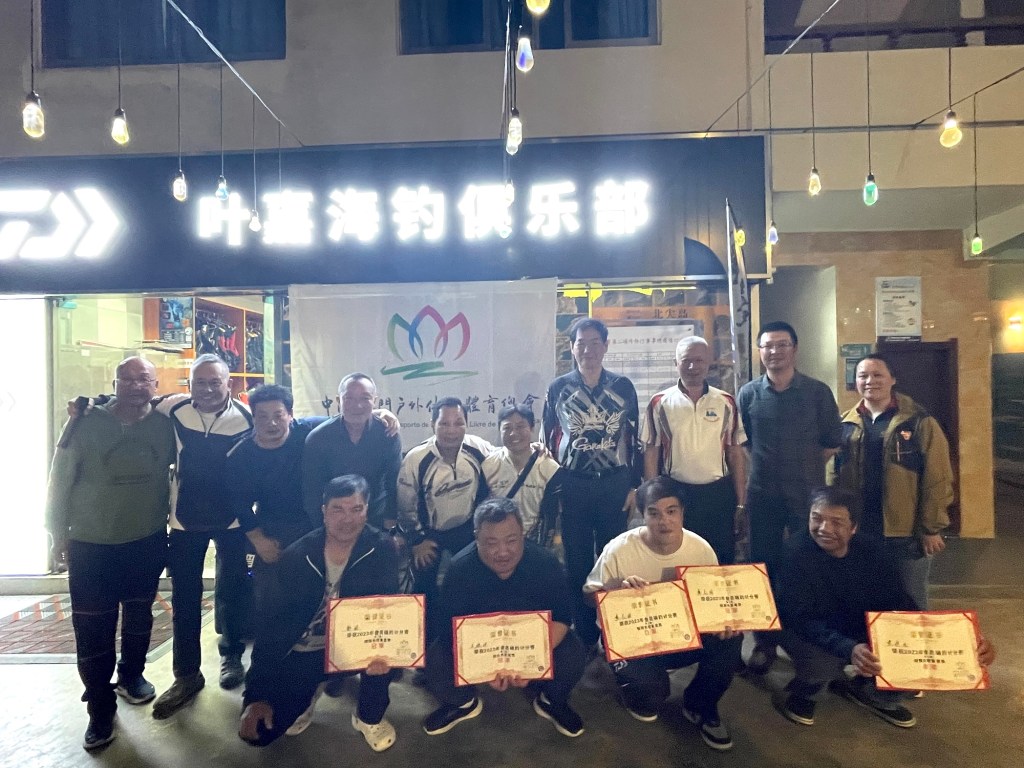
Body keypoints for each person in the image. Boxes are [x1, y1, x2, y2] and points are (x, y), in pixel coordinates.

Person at [773, 486, 996, 729]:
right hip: (809, 629)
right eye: (816, 518)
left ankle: (872, 694)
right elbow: (800, 618)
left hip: (857, 625)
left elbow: (899, 601)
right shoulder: (795, 553)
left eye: (836, 522)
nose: (824, 528)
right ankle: (807, 691)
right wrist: (848, 647)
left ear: (854, 527)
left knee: (911, 659)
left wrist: (963, 642)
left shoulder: (872, 552)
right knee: (823, 665)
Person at [46, 356, 175, 750]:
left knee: (140, 614)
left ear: (155, 386)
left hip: (146, 539)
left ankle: (132, 674)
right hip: (91, 544)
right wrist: (56, 534)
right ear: (114, 383)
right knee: (92, 628)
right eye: (127, 379)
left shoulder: (165, 425)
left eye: (144, 379)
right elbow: (59, 477)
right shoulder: (84, 422)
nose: (136, 385)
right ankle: (99, 706)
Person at [238, 475, 401, 750]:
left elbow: (391, 607)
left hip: (357, 646)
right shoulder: (297, 556)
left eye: (356, 509)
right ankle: (311, 689)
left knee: (383, 662)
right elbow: (271, 626)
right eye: (338, 509)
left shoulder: (382, 548)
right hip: (307, 649)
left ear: (367, 511)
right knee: (261, 732)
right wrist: (255, 696)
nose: (347, 519)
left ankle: (368, 717)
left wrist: (387, 651)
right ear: (324, 511)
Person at [583, 476, 742, 751]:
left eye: (671, 511)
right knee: (651, 697)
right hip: (632, 638)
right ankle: (637, 690)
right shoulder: (619, 549)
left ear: (682, 512)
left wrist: (724, 620)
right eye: (654, 513)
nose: (664, 521)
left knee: (731, 639)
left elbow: (713, 600)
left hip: (680, 634)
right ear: (642, 515)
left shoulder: (700, 549)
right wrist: (614, 590)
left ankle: (701, 705)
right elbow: (588, 597)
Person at [421, 497, 588, 738]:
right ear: (477, 537)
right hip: (481, 647)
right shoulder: (459, 569)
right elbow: (449, 630)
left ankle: (551, 700)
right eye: (491, 542)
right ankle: (462, 703)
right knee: (436, 658)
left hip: (529, 644)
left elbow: (562, 617)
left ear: (523, 533)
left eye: (511, 540)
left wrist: (527, 663)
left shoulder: (546, 563)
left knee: (573, 651)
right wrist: (487, 668)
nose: (502, 552)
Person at [152, 353, 255, 714]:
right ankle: (186, 674)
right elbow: (132, 398)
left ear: (229, 384)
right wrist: (86, 406)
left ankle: (232, 656)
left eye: (215, 382)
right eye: (200, 382)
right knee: (185, 598)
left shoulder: (247, 417)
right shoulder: (174, 408)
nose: (208, 389)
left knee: (232, 589)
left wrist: (381, 414)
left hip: (232, 520)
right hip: (185, 521)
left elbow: (292, 423)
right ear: (190, 384)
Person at [736, 321, 842, 674]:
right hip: (763, 495)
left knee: (806, 566)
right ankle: (764, 642)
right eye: (768, 345)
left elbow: (831, 442)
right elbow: (745, 442)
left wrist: (804, 467)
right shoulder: (749, 394)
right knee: (762, 569)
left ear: (794, 349)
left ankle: (807, 639)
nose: (774, 351)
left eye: (782, 345)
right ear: (759, 351)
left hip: (806, 498)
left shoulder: (817, 392)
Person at [544, 317, 642, 649]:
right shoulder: (559, 388)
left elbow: (634, 438)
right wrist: (556, 489)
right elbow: (548, 441)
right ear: (572, 348)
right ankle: (585, 636)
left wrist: (634, 486)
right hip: (574, 484)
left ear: (606, 345)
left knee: (614, 558)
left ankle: (616, 631)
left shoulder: (623, 386)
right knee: (577, 561)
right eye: (581, 343)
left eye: (595, 342)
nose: (588, 350)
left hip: (614, 484)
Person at [831, 354, 954, 610]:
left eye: (878, 375)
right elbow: (835, 475)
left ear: (893, 379)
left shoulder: (919, 421)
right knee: (863, 596)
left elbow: (938, 477)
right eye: (863, 376)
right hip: (860, 528)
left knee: (910, 598)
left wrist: (931, 528)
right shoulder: (846, 423)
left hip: (905, 531)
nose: (870, 381)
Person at [643, 335, 747, 564]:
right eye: (686, 360)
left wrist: (741, 501)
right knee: (678, 557)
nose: (692, 367)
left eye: (699, 360)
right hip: (676, 492)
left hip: (718, 494)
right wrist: (651, 497)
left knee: (720, 558)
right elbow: (651, 451)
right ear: (676, 363)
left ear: (709, 362)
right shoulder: (659, 402)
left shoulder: (726, 401)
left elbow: (735, 452)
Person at [397, 397, 495, 620]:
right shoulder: (416, 459)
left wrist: (534, 449)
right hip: (429, 533)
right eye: (444, 424)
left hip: (468, 528)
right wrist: (416, 541)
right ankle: (430, 634)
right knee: (425, 589)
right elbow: (405, 505)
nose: (452, 430)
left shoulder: (478, 448)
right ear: (432, 424)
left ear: (467, 424)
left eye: (458, 423)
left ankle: (470, 627)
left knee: (475, 581)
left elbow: (506, 460)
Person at [227, 384, 318, 569]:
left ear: (290, 415)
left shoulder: (308, 434)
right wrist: (259, 540)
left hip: (313, 523)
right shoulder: (240, 455)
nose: (272, 423)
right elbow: (239, 504)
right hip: (269, 526)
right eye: (263, 416)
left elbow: (342, 420)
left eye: (278, 415)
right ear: (253, 417)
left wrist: (378, 414)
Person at [303, 373, 402, 531]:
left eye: (365, 398)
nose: (358, 405)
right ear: (338, 401)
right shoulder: (319, 438)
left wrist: (391, 525)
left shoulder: (387, 434)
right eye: (349, 398)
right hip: (334, 521)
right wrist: (323, 529)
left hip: (375, 517)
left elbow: (393, 483)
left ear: (375, 401)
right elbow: (312, 492)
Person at [482, 404, 564, 547]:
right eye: (507, 428)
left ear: (532, 428)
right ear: (499, 430)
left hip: (535, 542)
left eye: (520, 427)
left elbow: (552, 514)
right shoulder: (488, 465)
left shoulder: (549, 468)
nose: (513, 433)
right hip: (498, 541)